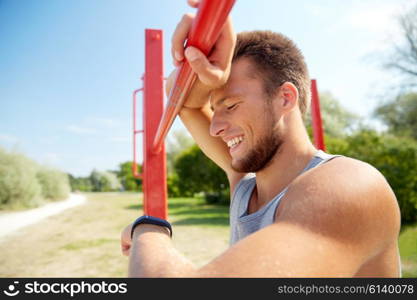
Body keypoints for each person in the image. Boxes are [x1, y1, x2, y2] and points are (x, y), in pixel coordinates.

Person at [121, 1, 401, 277]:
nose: (214, 127)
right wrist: (201, 52)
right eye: (215, 109)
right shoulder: (244, 183)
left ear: (285, 98)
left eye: (230, 106)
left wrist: (148, 230)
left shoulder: (349, 185)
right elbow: (184, 99)